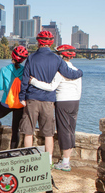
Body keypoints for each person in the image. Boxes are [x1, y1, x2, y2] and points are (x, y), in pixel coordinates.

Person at [18, 30, 83, 168]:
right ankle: (48, 162)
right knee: (48, 134)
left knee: (28, 132)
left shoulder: (31, 58)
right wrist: (80, 72)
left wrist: (21, 96)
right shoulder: (57, 59)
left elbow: (25, 79)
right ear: (51, 42)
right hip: (48, 101)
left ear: (38, 42)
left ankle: (28, 160)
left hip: (32, 99)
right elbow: (69, 73)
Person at [0, 46, 29, 149]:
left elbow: (0, 86)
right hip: (20, 104)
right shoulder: (25, 70)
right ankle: (13, 150)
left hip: (6, 103)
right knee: (15, 128)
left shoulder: (4, 70)